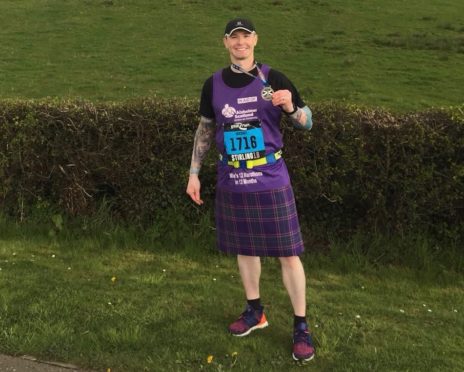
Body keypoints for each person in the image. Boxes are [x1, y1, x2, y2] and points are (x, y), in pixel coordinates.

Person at [186, 18, 315, 362]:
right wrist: (194, 172)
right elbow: (204, 131)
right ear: (225, 43)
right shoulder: (212, 85)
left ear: (255, 40)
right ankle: (254, 312)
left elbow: (308, 121)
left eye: (245, 36)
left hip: (271, 179)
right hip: (234, 179)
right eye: (234, 37)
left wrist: (290, 107)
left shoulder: (273, 79)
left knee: (288, 254)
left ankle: (301, 326)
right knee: (245, 249)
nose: (240, 42)